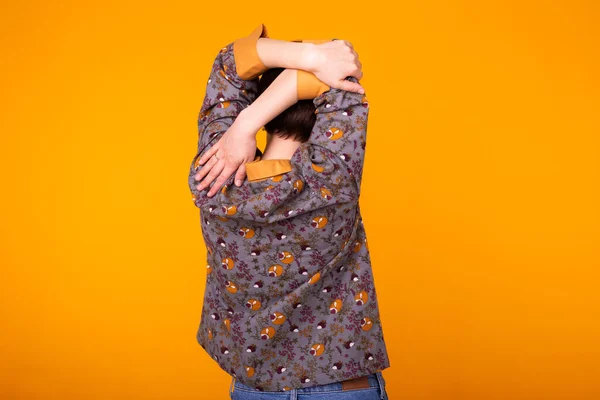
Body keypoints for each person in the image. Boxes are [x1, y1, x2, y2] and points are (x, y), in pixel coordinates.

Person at [187, 23, 391, 399]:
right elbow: (342, 85)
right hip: (341, 389)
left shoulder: (211, 174)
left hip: (254, 390)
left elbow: (229, 65)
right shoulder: (332, 173)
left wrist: (245, 123)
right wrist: (321, 61)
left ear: (260, 100)